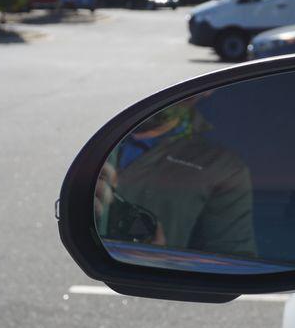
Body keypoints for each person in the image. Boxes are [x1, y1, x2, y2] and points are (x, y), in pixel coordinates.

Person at [94, 96, 257, 259]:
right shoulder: (91, 129)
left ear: (207, 92)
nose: (159, 93)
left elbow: (232, 263)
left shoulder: (222, 168)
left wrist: (157, 261)